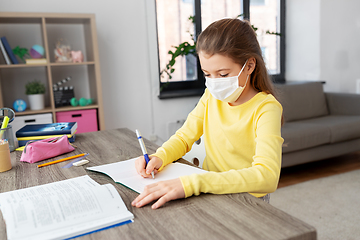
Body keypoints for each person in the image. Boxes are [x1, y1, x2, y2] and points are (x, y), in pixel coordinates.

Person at [132, 18, 284, 210]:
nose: (214, 83)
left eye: (222, 74)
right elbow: (184, 136)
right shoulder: (211, 96)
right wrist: (160, 157)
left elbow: (267, 177)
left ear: (249, 66)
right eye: (207, 74)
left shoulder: (266, 108)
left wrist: (194, 183)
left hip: (247, 200)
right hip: (210, 192)